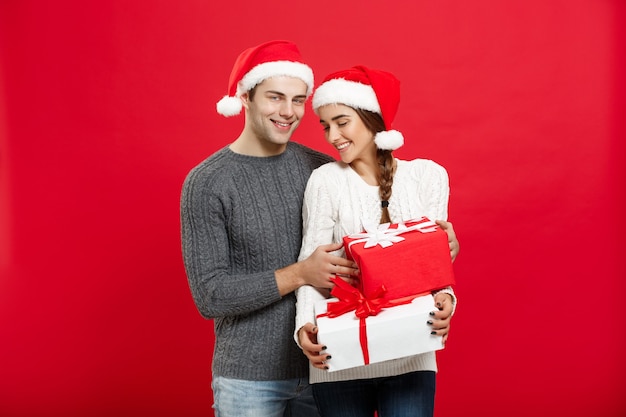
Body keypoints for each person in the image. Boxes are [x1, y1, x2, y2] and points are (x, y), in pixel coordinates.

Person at [180, 40, 359, 417]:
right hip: (248, 381)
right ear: (246, 96)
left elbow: (369, 236)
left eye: (297, 100)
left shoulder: (322, 169)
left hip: (327, 368)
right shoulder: (208, 182)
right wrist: (299, 274)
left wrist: (436, 244)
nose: (288, 112)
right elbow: (210, 295)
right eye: (275, 97)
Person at [294, 65, 459, 417]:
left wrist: (447, 300)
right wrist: (303, 328)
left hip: (410, 357)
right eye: (325, 125)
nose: (332, 136)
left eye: (342, 121)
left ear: (373, 117)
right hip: (338, 359)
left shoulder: (427, 176)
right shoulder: (325, 181)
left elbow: (435, 265)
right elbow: (312, 264)